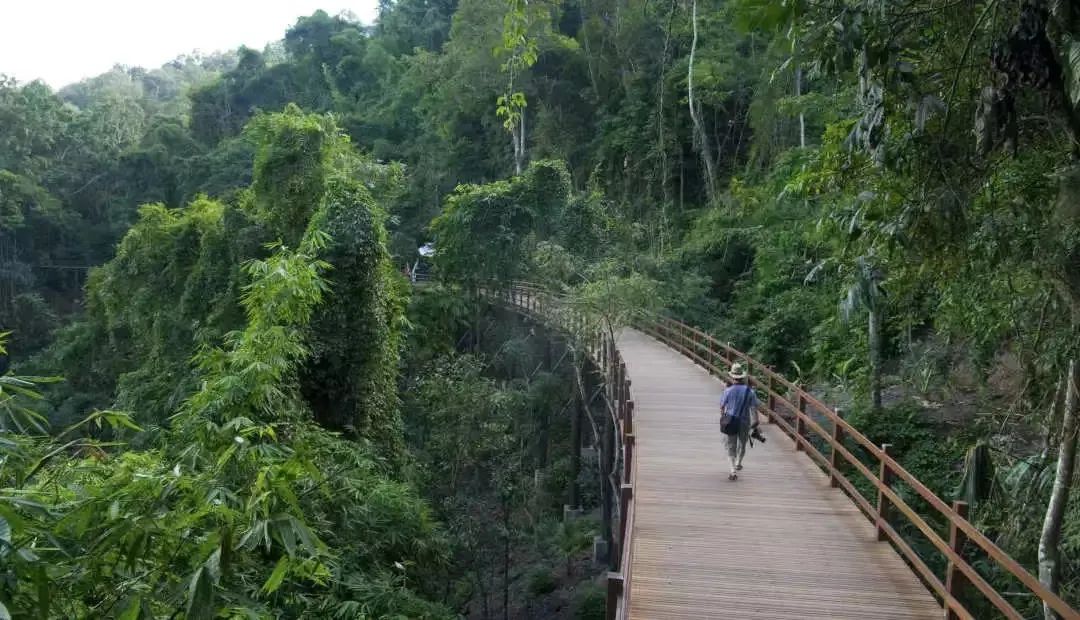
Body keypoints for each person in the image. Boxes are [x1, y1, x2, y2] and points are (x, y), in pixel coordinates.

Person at [719, 362, 760, 481]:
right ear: (742, 377)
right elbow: (753, 408)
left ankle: (732, 470)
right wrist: (755, 422)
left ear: (732, 377)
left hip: (731, 421)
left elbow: (722, 406)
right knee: (742, 444)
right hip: (744, 422)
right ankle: (738, 462)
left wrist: (723, 417)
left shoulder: (728, 391)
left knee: (731, 446)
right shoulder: (750, 392)